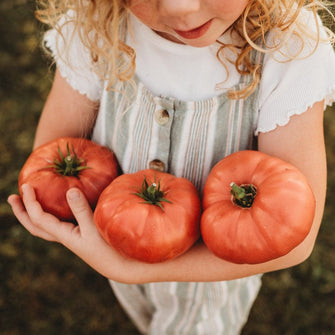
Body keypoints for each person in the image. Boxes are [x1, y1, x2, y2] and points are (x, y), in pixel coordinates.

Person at [8, 0, 335, 334]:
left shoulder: (288, 51)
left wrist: (131, 270)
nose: (181, 8)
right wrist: (54, 211)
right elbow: (52, 153)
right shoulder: (97, 25)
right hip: (115, 246)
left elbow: (298, 237)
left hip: (211, 281)